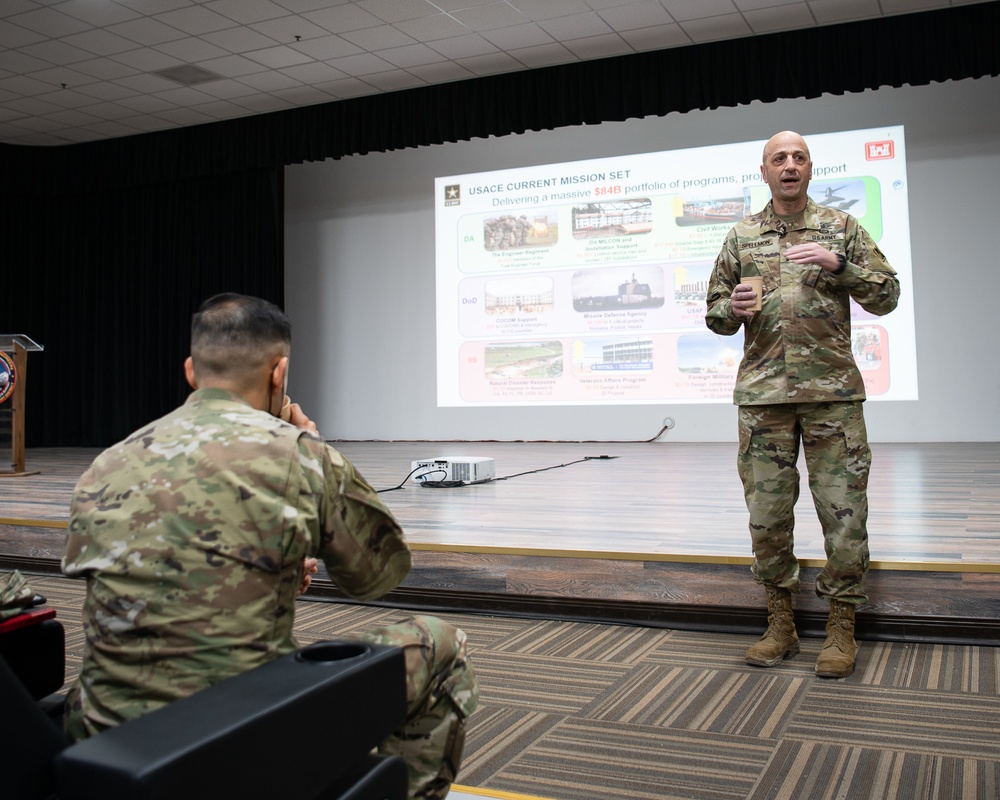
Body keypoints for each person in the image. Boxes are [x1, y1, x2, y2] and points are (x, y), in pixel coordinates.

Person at [62, 293, 479, 799]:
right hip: (240, 744)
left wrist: (274, 564)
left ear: (192, 371)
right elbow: (377, 576)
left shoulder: (106, 462)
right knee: (442, 645)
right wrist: (316, 452)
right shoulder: (298, 454)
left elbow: (156, 577)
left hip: (103, 739)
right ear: (279, 372)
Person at [705, 131, 900, 678]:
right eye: (779, 159)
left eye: (799, 157)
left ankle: (841, 627)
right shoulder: (741, 236)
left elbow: (887, 295)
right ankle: (780, 624)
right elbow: (715, 312)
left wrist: (842, 267)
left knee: (844, 515)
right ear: (764, 172)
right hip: (764, 400)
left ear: (811, 168)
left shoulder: (841, 229)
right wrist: (733, 307)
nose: (789, 166)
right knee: (767, 520)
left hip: (832, 397)